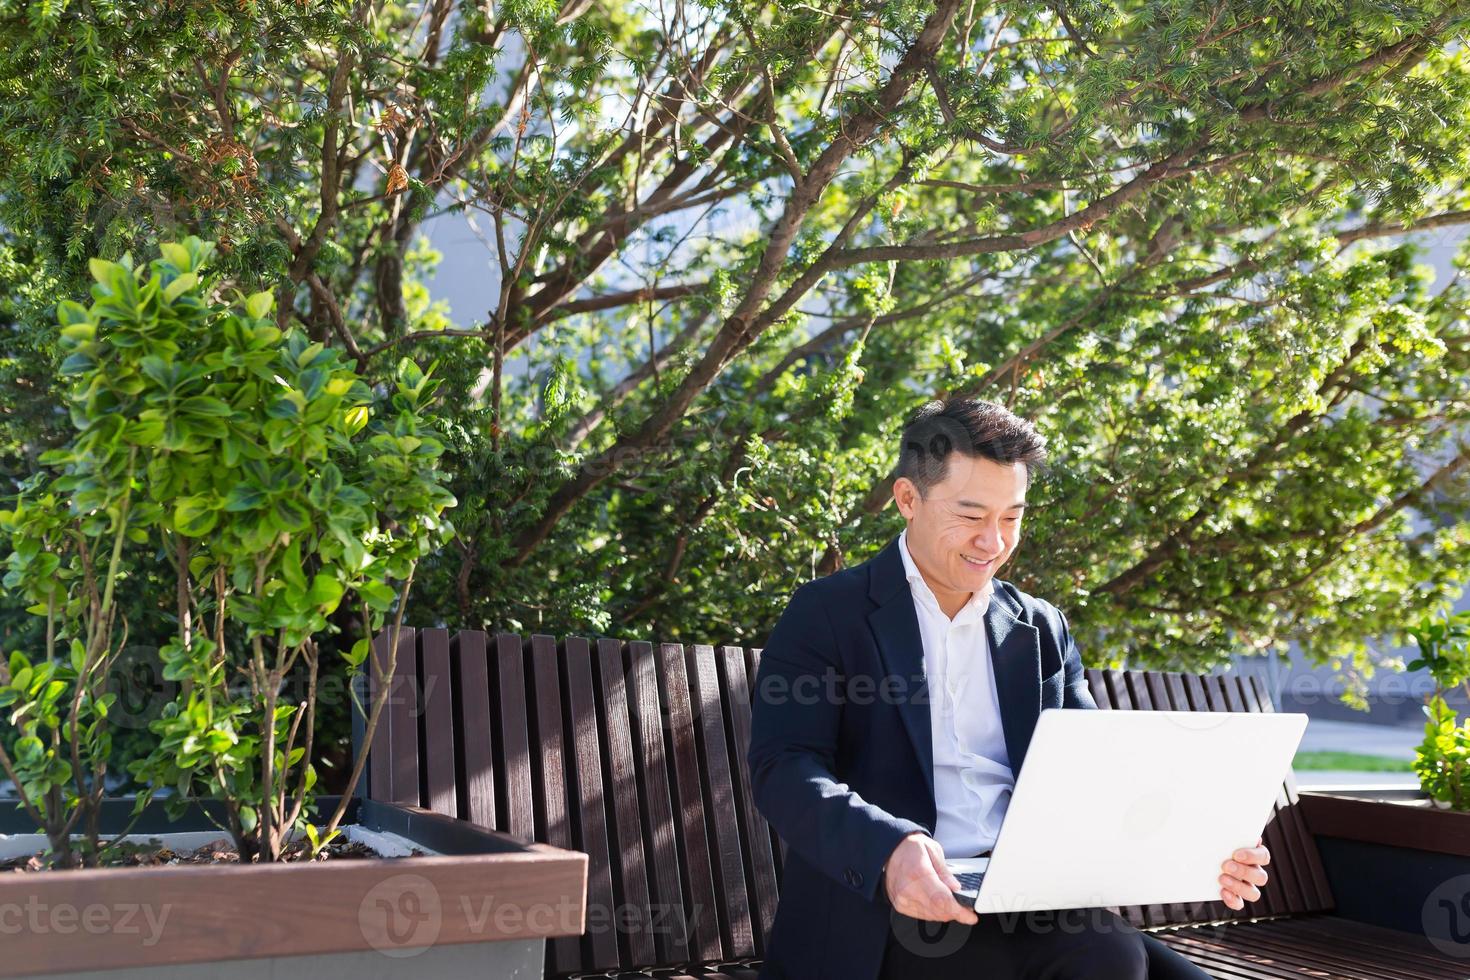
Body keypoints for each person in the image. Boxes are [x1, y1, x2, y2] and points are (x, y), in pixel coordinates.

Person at [747, 397, 1270, 980]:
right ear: (908, 499)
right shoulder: (828, 614)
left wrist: (1200, 850)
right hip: (890, 909)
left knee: (1116, 956)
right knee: (1090, 959)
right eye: (971, 516)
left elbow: (1099, 775)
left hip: (1027, 895)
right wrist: (888, 851)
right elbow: (786, 768)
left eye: (1011, 517)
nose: (993, 542)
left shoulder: (1039, 628)